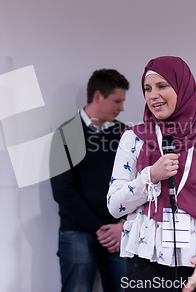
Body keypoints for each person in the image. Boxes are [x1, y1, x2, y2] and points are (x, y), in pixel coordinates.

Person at [107, 56, 196, 291]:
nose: (153, 95)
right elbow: (115, 206)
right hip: (147, 263)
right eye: (147, 88)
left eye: (162, 86)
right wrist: (150, 176)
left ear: (183, 88)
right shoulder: (133, 138)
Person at [51, 69, 130, 292]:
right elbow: (63, 191)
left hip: (118, 232)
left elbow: (136, 186)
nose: (122, 107)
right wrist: (100, 229)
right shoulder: (66, 134)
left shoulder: (125, 135)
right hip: (78, 231)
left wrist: (122, 226)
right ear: (98, 97)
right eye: (117, 100)